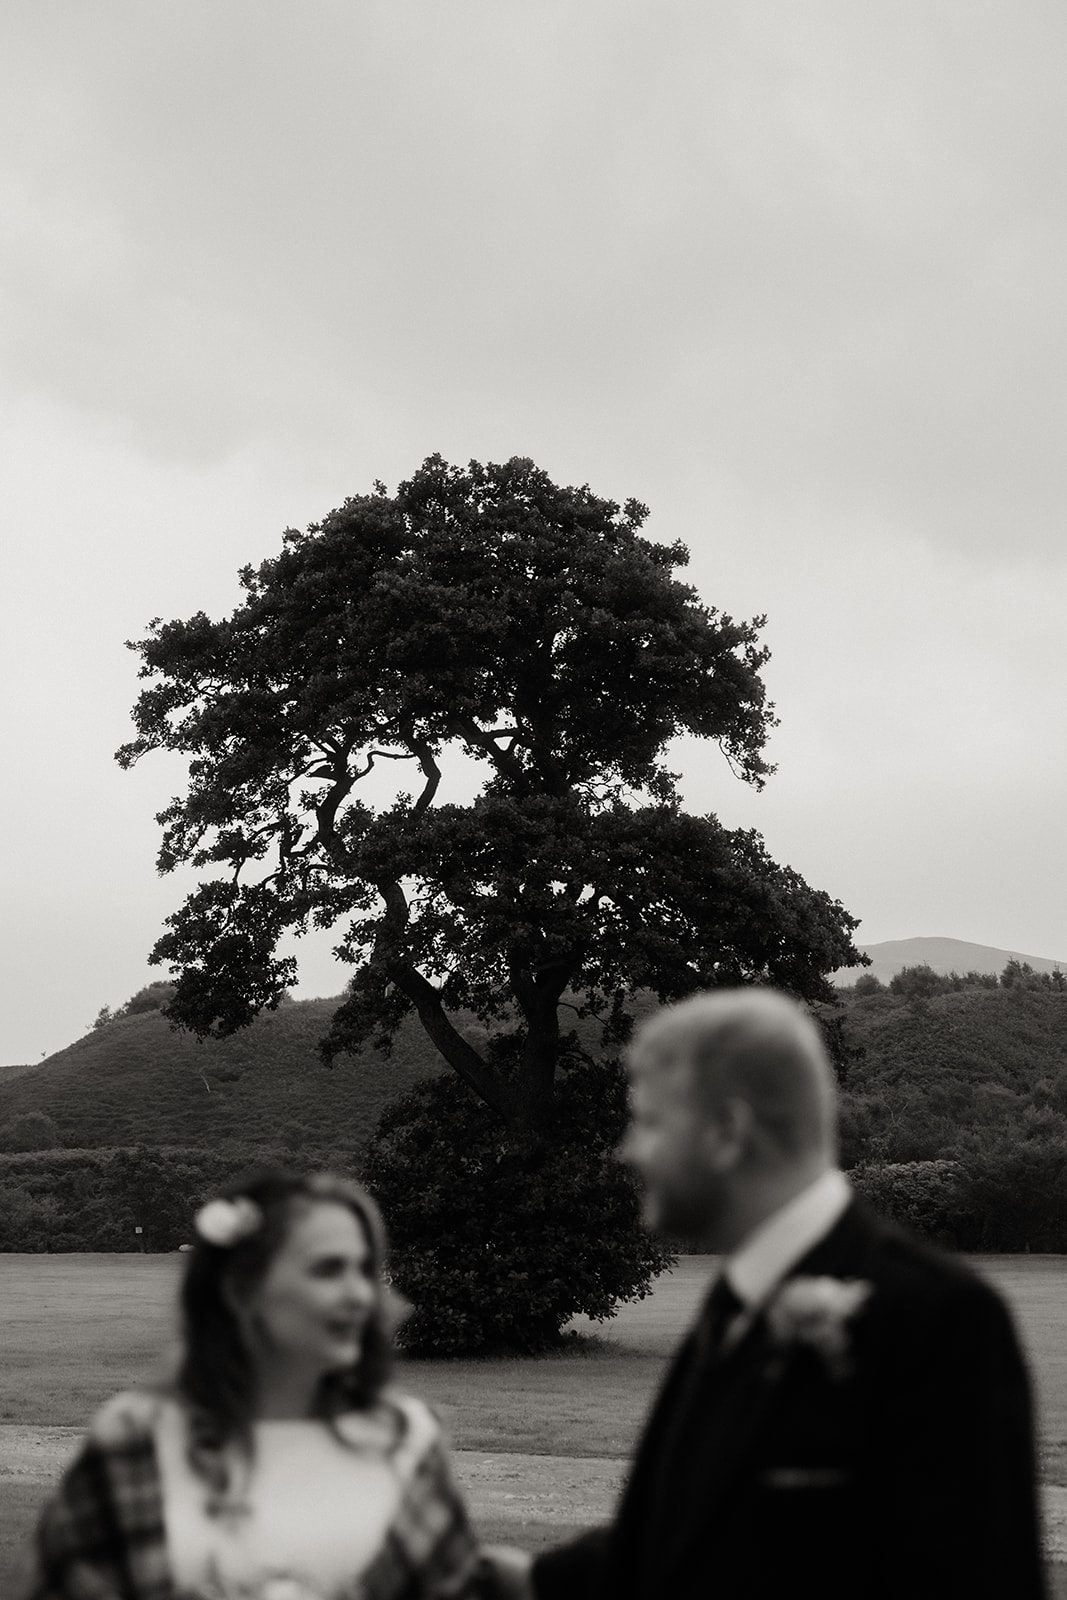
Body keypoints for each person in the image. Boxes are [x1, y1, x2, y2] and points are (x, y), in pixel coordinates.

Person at [526, 988, 1047, 1600]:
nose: (628, 1150)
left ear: (726, 1131)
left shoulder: (941, 1319)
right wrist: (510, 1577)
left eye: (649, 1122)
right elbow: (701, 1536)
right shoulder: (734, 1302)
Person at [27, 1169, 501, 1599]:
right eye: (328, 1269)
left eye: (363, 1269)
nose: (360, 1294)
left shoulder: (407, 1441)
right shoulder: (137, 1440)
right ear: (242, 1289)